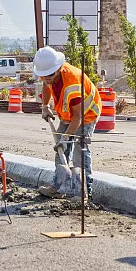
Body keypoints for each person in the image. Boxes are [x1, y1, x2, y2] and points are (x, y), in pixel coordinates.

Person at [33, 46, 102, 195]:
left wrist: (65, 138)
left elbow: (78, 118)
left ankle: (83, 191)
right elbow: (46, 86)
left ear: (57, 68)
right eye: (44, 76)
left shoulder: (73, 81)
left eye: (50, 75)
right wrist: (45, 106)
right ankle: (59, 187)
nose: (47, 78)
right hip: (66, 115)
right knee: (60, 149)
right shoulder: (46, 72)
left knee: (80, 150)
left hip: (86, 114)